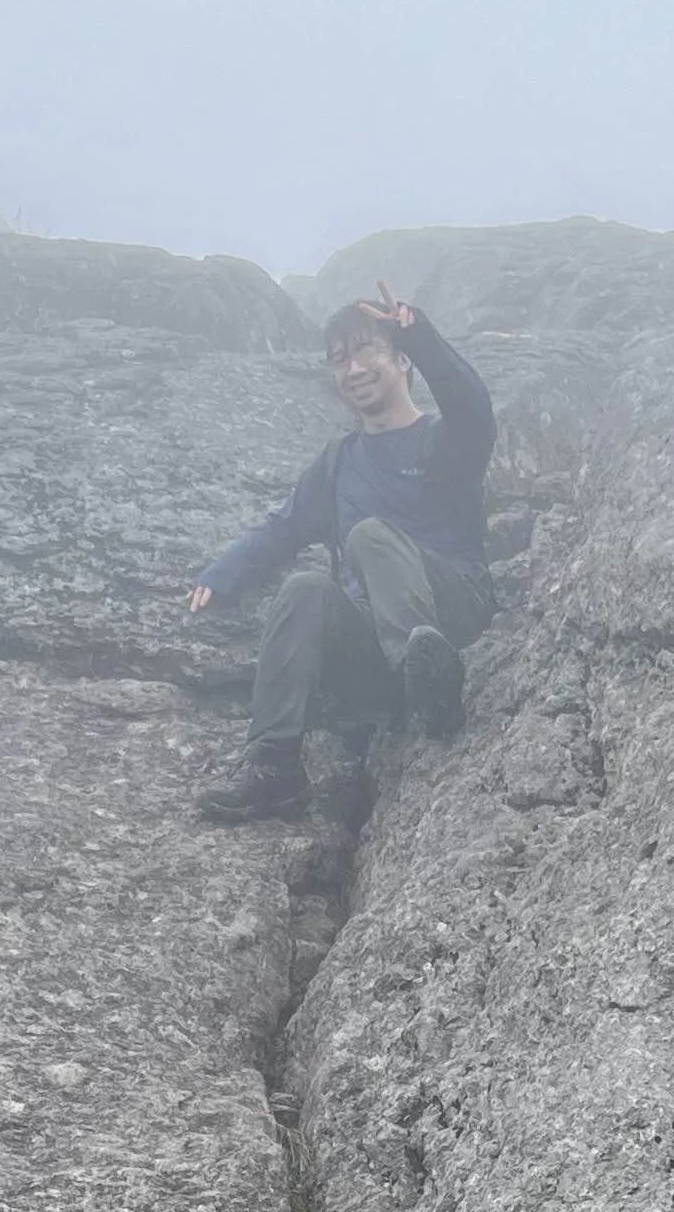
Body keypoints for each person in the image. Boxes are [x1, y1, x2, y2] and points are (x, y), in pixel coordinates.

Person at [188, 286, 495, 821]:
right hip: (377, 647)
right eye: (338, 360)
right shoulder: (339, 462)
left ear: (401, 360)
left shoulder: (444, 441)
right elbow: (283, 527)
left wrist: (417, 330)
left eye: (366, 350)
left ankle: (432, 684)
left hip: (452, 612)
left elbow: (473, 407)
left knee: (369, 536)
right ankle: (273, 766)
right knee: (305, 588)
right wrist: (223, 573)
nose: (352, 368)